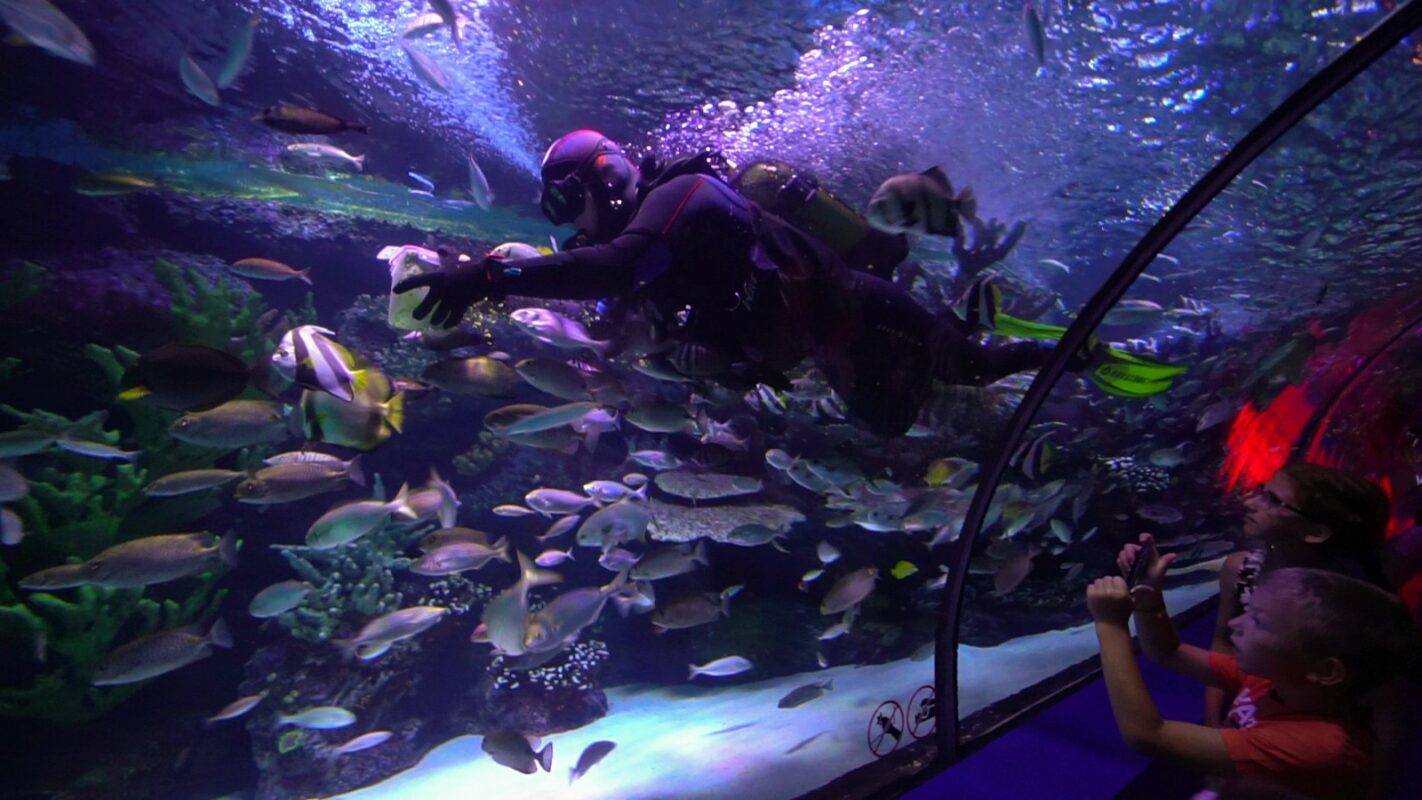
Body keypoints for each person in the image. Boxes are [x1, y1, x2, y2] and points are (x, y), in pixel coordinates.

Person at [394, 130, 1169, 436]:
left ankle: (1075, 349)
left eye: (569, 204)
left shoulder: (684, 197)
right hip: (821, 345)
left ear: (607, 179)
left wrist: (491, 276)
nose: (571, 226)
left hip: (856, 305)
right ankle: (967, 335)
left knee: (970, 365)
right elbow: (614, 298)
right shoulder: (644, 245)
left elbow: (618, 264)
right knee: (890, 424)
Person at [1087, 560, 1417, 800]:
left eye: (1258, 621)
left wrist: (1110, 626)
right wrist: (1148, 601)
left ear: (1325, 672)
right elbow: (1169, 652)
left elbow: (1148, 735)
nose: (1235, 625)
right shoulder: (1275, 680)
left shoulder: (1321, 747)